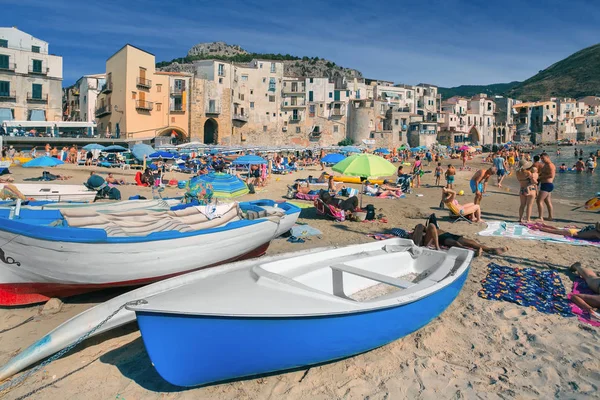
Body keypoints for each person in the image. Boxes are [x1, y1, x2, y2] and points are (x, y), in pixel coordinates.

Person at [402, 223, 508, 256]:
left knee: (471, 242)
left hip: (447, 234)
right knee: (455, 243)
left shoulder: (425, 229)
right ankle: (472, 253)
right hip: (442, 238)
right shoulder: (422, 231)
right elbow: (415, 241)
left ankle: (490, 249)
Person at [529, 221, 600, 241]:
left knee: (557, 229)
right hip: (573, 233)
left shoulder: (594, 230)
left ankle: (544, 225)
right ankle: (540, 227)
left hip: (575, 231)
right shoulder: (596, 233)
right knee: (554, 231)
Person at [537, 152, 556, 221]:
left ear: (547, 157)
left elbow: (551, 175)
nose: (542, 160)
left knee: (539, 200)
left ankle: (540, 217)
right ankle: (550, 217)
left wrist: (541, 177)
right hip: (544, 184)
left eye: (543, 158)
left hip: (547, 185)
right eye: (541, 159)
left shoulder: (551, 165)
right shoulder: (545, 165)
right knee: (547, 201)